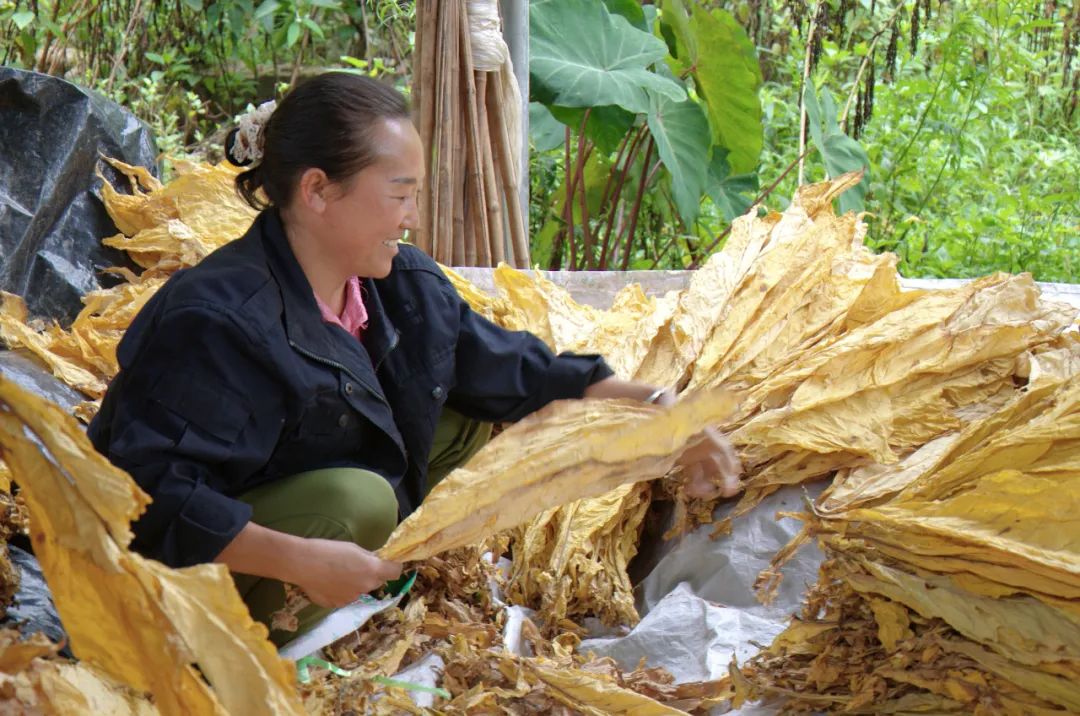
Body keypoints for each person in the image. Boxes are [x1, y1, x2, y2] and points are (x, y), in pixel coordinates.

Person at [88, 72, 742, 645]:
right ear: (318, 191)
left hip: (277, 503)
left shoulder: (398, 286)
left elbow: (515, 370)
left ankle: (345, 579)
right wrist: (302, 561)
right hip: (158, 585)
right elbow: (147, 499)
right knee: (362, 499)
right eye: (399, 195)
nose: (413, 218)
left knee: (457, 416)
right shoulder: (218, 321)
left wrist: (662, 415)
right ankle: (242, 641)